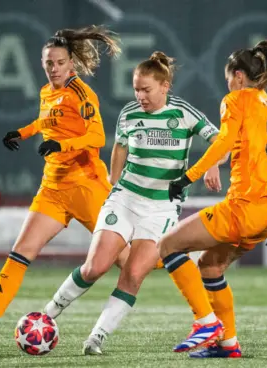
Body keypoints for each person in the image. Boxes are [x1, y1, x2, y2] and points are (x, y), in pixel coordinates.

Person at [41, 51, 224, 355]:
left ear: (165, 86)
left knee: (134, 275)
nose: (140, 96)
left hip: (161, 208)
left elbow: (220, 139)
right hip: (125, 200)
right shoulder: (129, 114)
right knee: (94, 268)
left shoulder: (183, 112)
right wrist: (113, 184)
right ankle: (46, 315)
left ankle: (96, 338)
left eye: (146, 89)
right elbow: (119, 148)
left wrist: (215, 165)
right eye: (136, 89)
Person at [0, 26, 122, 345]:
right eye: (48, 63)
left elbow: (98, 136)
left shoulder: (82, 94)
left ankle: (178, 255)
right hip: (53, 189)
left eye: (59, 63)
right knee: (20, 253)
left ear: (71, 63)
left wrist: (62, 146)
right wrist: (21, 132)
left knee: (131, 261)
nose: (54, 68)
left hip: (88, 187)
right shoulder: (47, 92)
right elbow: (46, 122)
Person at [157, 32, 267, 358]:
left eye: (228, 79)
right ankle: (228, 345)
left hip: (246, 207)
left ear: (238, 76)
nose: (227, 85)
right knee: (210, 266)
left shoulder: (237, 99)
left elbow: (222, 142)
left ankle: (205, 322)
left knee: (167, 245)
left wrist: (188, 177)